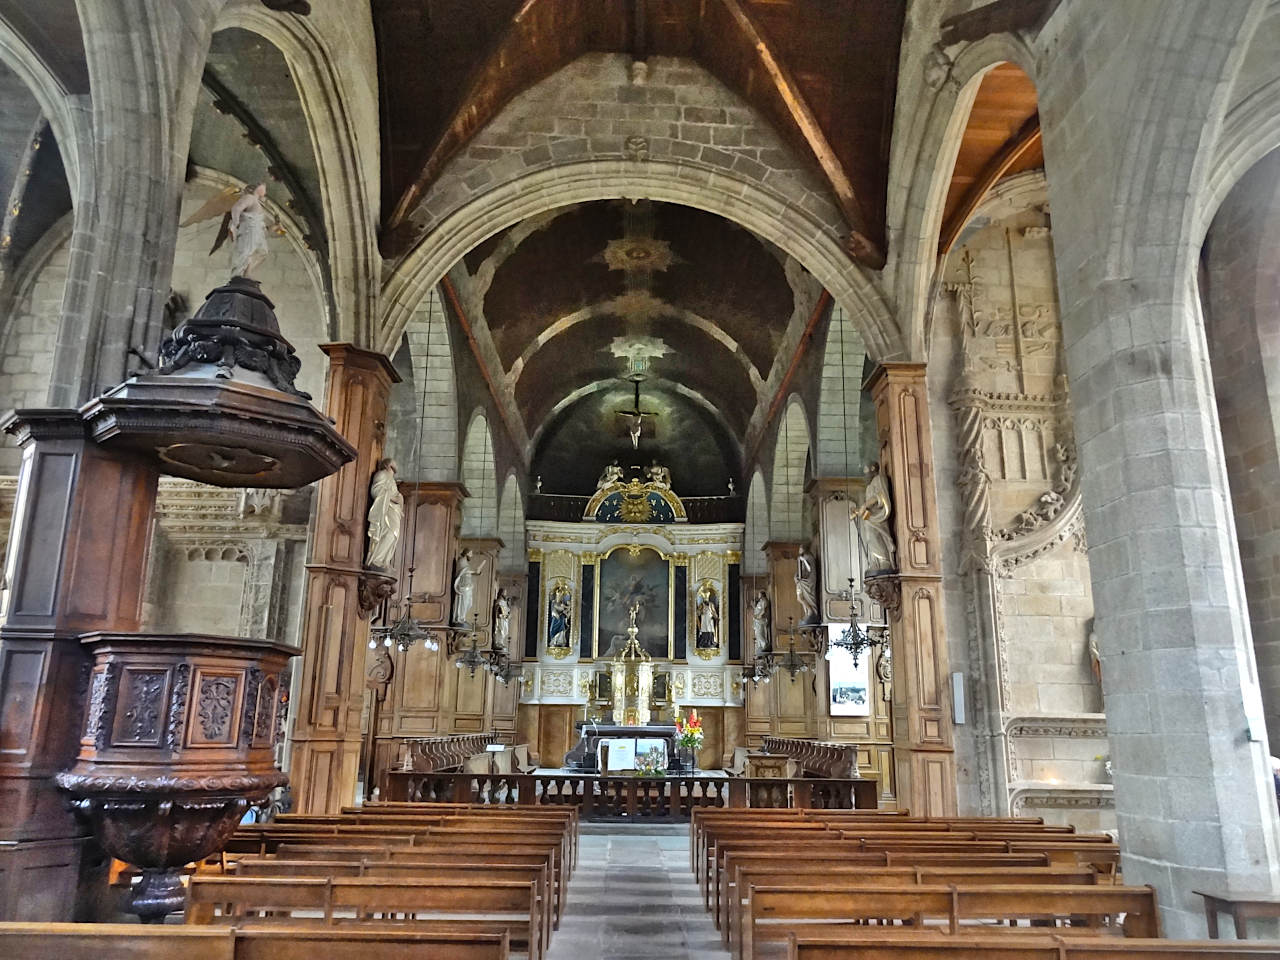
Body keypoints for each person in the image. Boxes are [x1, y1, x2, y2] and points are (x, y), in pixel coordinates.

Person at [857, 461, 897, 574]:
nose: (864, 475)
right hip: (870, 517)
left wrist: (865, 505)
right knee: (870, 538)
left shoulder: (879, 479)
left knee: (876, 536)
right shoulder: (869, 486)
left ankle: (884, 560)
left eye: (865, 471)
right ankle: (876, 561)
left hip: (878, 516)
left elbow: (881, 496)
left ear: (873, 468)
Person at [364, 459, 403, 570]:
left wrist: (399, 498)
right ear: (388, 464)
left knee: (394, 535)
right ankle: (376, 560)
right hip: (385, 510)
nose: (396, 464)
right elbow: (376, 491)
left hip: (394, 511)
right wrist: (393, 497)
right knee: (389, 533)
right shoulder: (382, 474)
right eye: (393, 462)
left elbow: (396, 495)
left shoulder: (392, 480)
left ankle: (384, 560)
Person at [229, 183, 270, 279]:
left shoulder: (257, 202)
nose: (265, 191)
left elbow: (260, 223)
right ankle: (237, 274)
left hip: (256, 230)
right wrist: (236, 223)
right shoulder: (249, 197)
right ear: (256, 189)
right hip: (249, 229)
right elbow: (236, 208)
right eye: (263, 187)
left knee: (262, 252)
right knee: (247, 251)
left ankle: (246, 272)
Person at [452, 548, 486, 625]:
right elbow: (462, 571)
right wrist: (474, 571)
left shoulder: (466, 562)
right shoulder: (461, 561)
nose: (472, 555)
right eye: (471, 553)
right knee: (463, 603)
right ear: (467, 553)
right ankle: (459, 619)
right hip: (463, 585)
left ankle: (462, 618)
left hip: (468, 586)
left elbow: (467, 572)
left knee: (469, 603)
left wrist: (476, 572)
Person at [795, 544, 819, 624]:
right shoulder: (802, 557)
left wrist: (804, 560)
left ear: (804, 549)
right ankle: (808, 613)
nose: (799, 550)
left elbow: (809, 569)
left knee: (807, 596)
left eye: (800, 549)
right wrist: (797, 576)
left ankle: (811, 612)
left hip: (808, 580)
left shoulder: (809, 556)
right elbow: (801, 570)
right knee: (800, 597)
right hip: (802, 580)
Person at [751, 590, 771, 655]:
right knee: (757, 633)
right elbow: (758, 609)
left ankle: (765, 645)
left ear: (762, 595)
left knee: (760, 633)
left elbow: (763, 611)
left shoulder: (765, 601)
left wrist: (758, 617)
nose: (758, 596)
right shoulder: (760, 601)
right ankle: (761, 646)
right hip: (758, 620)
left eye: (759, 594)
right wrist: (754, 607)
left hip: (762, 620)